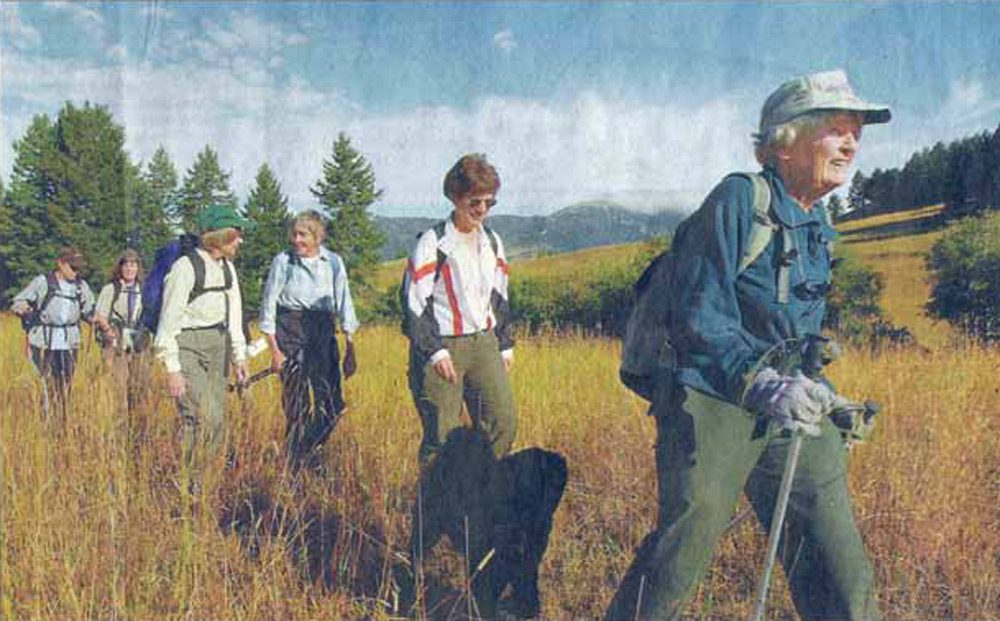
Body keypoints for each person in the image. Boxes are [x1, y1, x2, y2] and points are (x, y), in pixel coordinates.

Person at [604, 70, 890, 621]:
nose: (852, 142)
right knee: (683, 548)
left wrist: (824, 392)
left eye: (856, 131)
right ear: (786, 141)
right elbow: (698, 314)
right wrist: (759, 381)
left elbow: (796, 335)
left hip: (788, 402)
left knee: (840, 565)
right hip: (713, 395)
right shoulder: (740, 199)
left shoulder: (817, 221)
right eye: (836, 129)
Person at [402, 153, 517, 467]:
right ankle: (433, 509)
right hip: (443, 346)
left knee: (503, 423)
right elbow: (413, 302)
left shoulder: (492, 241)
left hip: (484, 343)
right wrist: (435, 352)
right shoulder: (433, 242)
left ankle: (477, 496)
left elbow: (500, 295)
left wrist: (504, 344)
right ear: (455, 197)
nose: (482, 209)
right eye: (474, 201)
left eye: (489, 203)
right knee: (442, 437)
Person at [153, 205, 250, 488]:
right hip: (187, 347)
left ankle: (200, 481)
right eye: (236, 235)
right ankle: (189, 483)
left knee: (215, 421)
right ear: (220, 236)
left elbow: (234, 317)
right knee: (202, 415)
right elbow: (167, 323)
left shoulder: (228, 269)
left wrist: (239, 357)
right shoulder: (185, 268)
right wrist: (172, 369)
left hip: (218, 347)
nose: (240, 241)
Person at [258, 209, 360, 471]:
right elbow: (268, 305)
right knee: (297, 406)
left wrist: (351, 348)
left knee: (333, 405)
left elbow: (345, 303)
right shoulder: (283, 262)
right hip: (290, 330)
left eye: (303, 235)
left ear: (317, 236)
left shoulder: (334, 262)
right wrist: (275, 351)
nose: (296, 240)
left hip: (323, 333)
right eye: (294, 234)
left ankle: (306, 451)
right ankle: (294, 469)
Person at [10, 247, 96, 419]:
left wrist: (101, 322)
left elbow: (90, 311)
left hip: (70, 343)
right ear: (60, 264)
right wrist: (23, 309)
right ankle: (46, 422)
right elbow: (18, 301)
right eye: (73, 267)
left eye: (79, 268)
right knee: (45, 383)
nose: (76, 272)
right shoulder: (43, 282)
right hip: (44, 341)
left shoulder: (81, 286)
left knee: (66, 383)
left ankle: (62, 420)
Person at [94, 249, 149, 414]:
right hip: (117, 341)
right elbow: (99, 315)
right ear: (120, 268)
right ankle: (120, 430)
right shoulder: (111, 288)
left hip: (138, 341)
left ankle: (138, 426)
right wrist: (109, 331)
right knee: (118, 386)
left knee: (140, 385)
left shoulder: (144, 290)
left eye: (133, 265)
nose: (130, 269)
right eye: (126, 265)